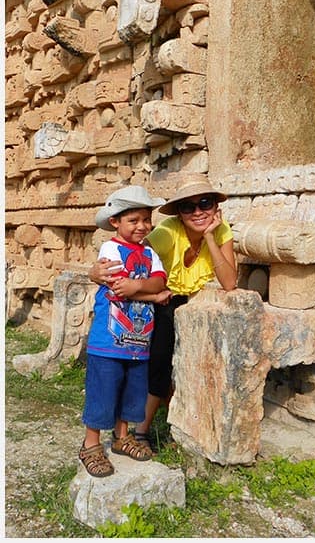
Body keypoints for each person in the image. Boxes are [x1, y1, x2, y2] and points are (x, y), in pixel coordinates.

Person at [91, 176, 237, 451]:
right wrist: (95, 273)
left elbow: (229, 282)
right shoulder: (168, 232)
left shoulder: (221, 230)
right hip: (156, 303)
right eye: (188, 207)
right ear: (179, 213)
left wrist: (209, 236)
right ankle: (140, 431)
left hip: (190, 301)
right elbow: (131, 261)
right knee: (158, 361)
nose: (197, 212)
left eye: (205, 203)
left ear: (215, 206)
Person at [80, 186, 171, 477]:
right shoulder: (110, 249)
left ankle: (122, 437)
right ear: (116, 222)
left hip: (138, 340)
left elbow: (159, 281)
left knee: (132, 392)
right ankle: (91, 444)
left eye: (146, 219)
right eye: (133, 220)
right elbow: (119, 287)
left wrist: (144, 289)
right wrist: (152, 296)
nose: (142, 226)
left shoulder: (149, 252)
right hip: (109, 339)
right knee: (102, 391)